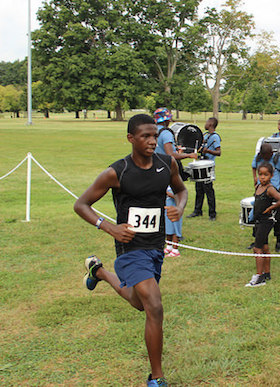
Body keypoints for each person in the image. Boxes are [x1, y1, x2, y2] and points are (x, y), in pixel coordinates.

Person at [74, 114, 188, 387]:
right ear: (131, 139)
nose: (152, 141)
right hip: (130, 250)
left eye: (155, 135)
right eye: (145, 137)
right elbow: (81, 205)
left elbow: (181, 190)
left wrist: (179, 208)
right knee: (155, 307)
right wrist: (109, 227)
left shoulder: (167, 163)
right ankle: (157, 378)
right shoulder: (117, 172)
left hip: (155, 248)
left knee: (140, 303)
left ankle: (99, 271)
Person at [245, 163, 280, 287]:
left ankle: (259, 277)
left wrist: (271, 208)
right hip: (258, 221)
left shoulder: (270, 189)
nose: (262, 177)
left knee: (257, 249)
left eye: (266, 175)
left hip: (266, 221)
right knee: (265, 248)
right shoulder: (258, 186)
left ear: (271, 176)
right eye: (260, 174)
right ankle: (267, 273)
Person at [250, 143, 280, 252]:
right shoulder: (258, 157)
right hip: (261, 190)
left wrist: (279, 179)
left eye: (267, 155)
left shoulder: (278, 159)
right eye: (263, 155)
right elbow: (254, 166)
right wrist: (255, 178)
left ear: (271, 153)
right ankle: (258, 239)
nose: (265, 158)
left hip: (274, 191)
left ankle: (278, 242)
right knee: (258, 215)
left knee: (279, 218)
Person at [187, 117, 221, 220]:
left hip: (208, 167)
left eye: (206, 122)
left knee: (209, 190)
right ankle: (198, 211)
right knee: (199, 189)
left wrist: (208, 151)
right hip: (200, 164)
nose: (205, 124)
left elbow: (219, 152)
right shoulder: (205, 135)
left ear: (210, 124)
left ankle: (212, 214)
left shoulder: (215, 137)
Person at [163, 186, 182, 258]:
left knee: (175, 230)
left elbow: (180, 197)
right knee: (168, 229)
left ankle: (175, 250)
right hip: (167, 211)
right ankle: (169, 246)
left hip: (175, 211)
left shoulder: (177, 186)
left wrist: (169, 194)